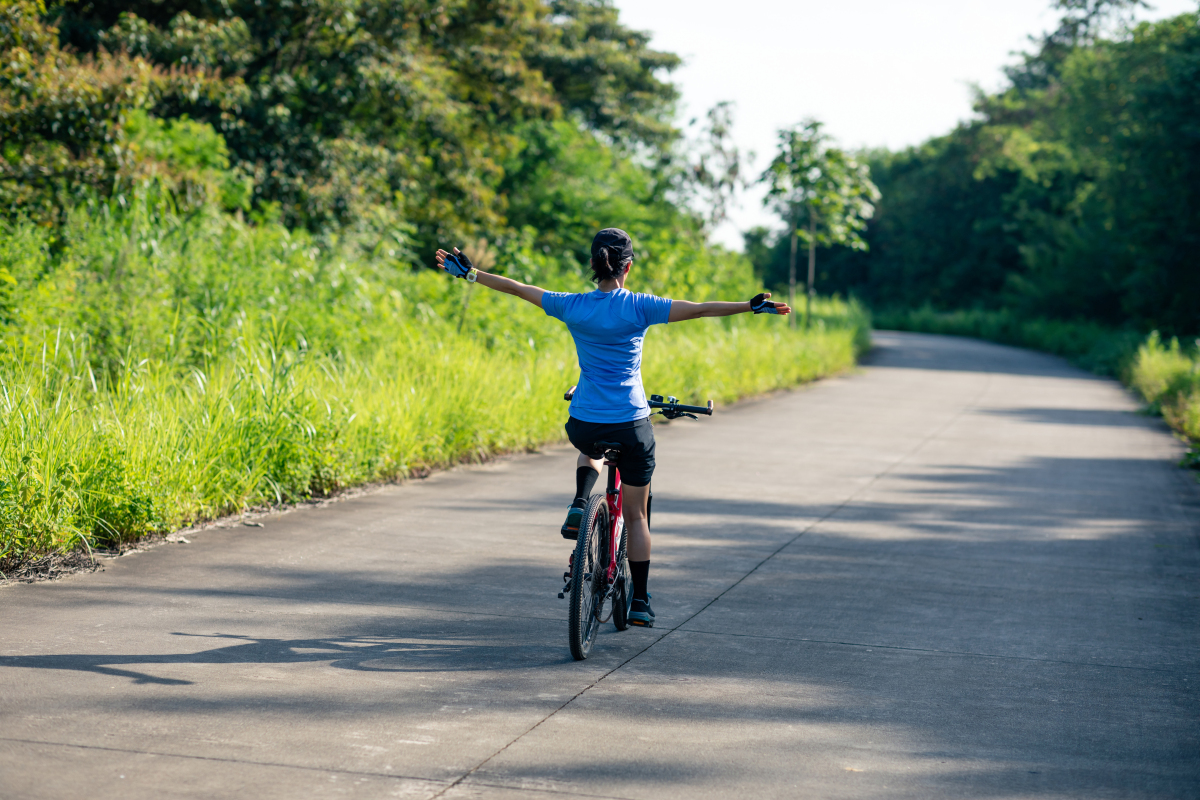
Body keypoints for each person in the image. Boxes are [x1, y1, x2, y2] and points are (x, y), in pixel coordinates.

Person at [435, 228, 790, 627]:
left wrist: (470, 274)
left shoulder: (572, 306)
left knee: (592, 442)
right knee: (637, 516)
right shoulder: (639, 306)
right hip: (632, 423)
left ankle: (580, 502)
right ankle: (639, 601)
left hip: (585, 421)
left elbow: (519, 288)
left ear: (593, 265)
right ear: (628, 267)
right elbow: (699, 308)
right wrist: (749, 306)